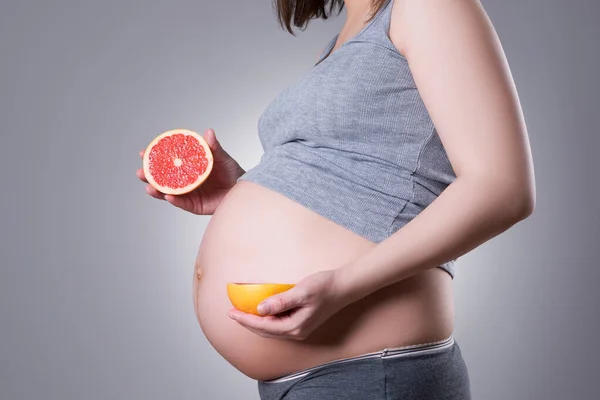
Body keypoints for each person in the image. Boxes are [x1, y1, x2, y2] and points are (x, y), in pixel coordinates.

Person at [137, 0, 536, 398]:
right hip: (311, 381)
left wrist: (342, 287)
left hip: (369, 371)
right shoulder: (340, 42)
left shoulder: (426, 5)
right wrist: (243, 189)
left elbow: (501, 189)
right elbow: (360, 176)